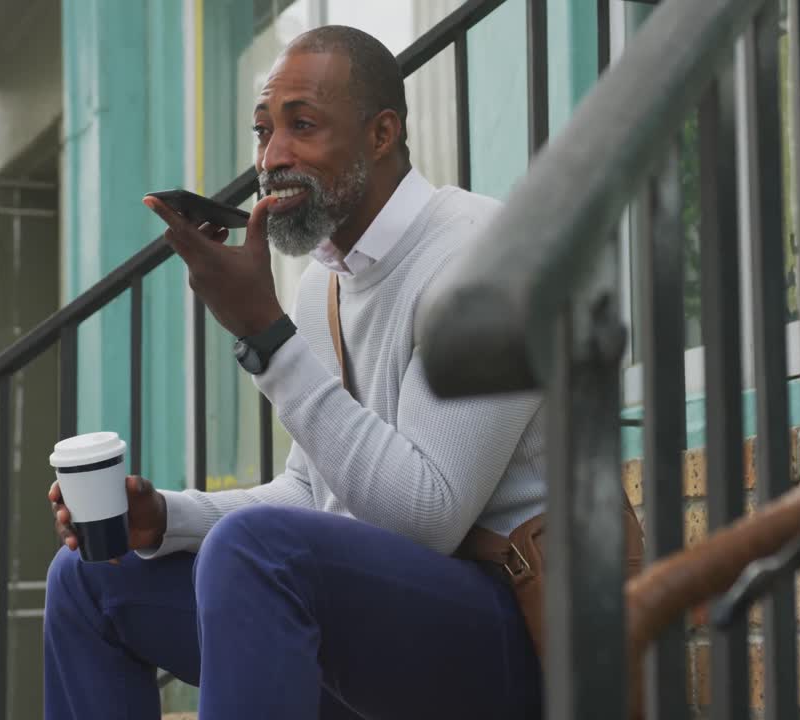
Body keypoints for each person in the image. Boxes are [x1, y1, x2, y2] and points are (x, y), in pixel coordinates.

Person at [44, 25, 546, 720]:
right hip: (381, 633)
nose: (271, 159)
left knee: (258, 553)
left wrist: (265, 336)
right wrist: (165, 518)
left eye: (301, 127)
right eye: (262, 133)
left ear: (381, 133)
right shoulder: (326, 285)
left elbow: (429, 514)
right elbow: (312, 495)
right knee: (88, 576)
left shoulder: (485, 257)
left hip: (520, 642)